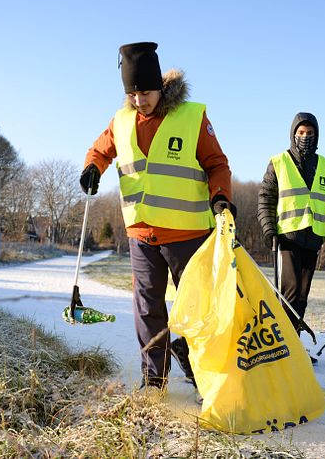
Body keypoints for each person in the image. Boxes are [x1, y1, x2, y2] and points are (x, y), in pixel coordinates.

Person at [80, 42, 235, 391]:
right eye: (132, 93)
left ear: (160, 87)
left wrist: (221, 197)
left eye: (145, 92)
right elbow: (99, 150)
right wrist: (92, 168)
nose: (139, 100)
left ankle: (207, 378)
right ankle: (154, 381)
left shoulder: (192, 116)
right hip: (142, 234)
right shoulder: (120, 121)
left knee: (198, 310)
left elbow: (217, 164)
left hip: (188, 234)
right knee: (148, 309)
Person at [257, 112, 325, 365]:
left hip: (313, 239)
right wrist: (269, 229)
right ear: (293, 134)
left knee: (302, 296)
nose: (305, 137)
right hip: (287, 239)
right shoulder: (279, 162)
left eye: (310, 133)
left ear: (316, 136)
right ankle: (281, 347)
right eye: (301, 133)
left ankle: (292, 344)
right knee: (289, 294)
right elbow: (266, 198)